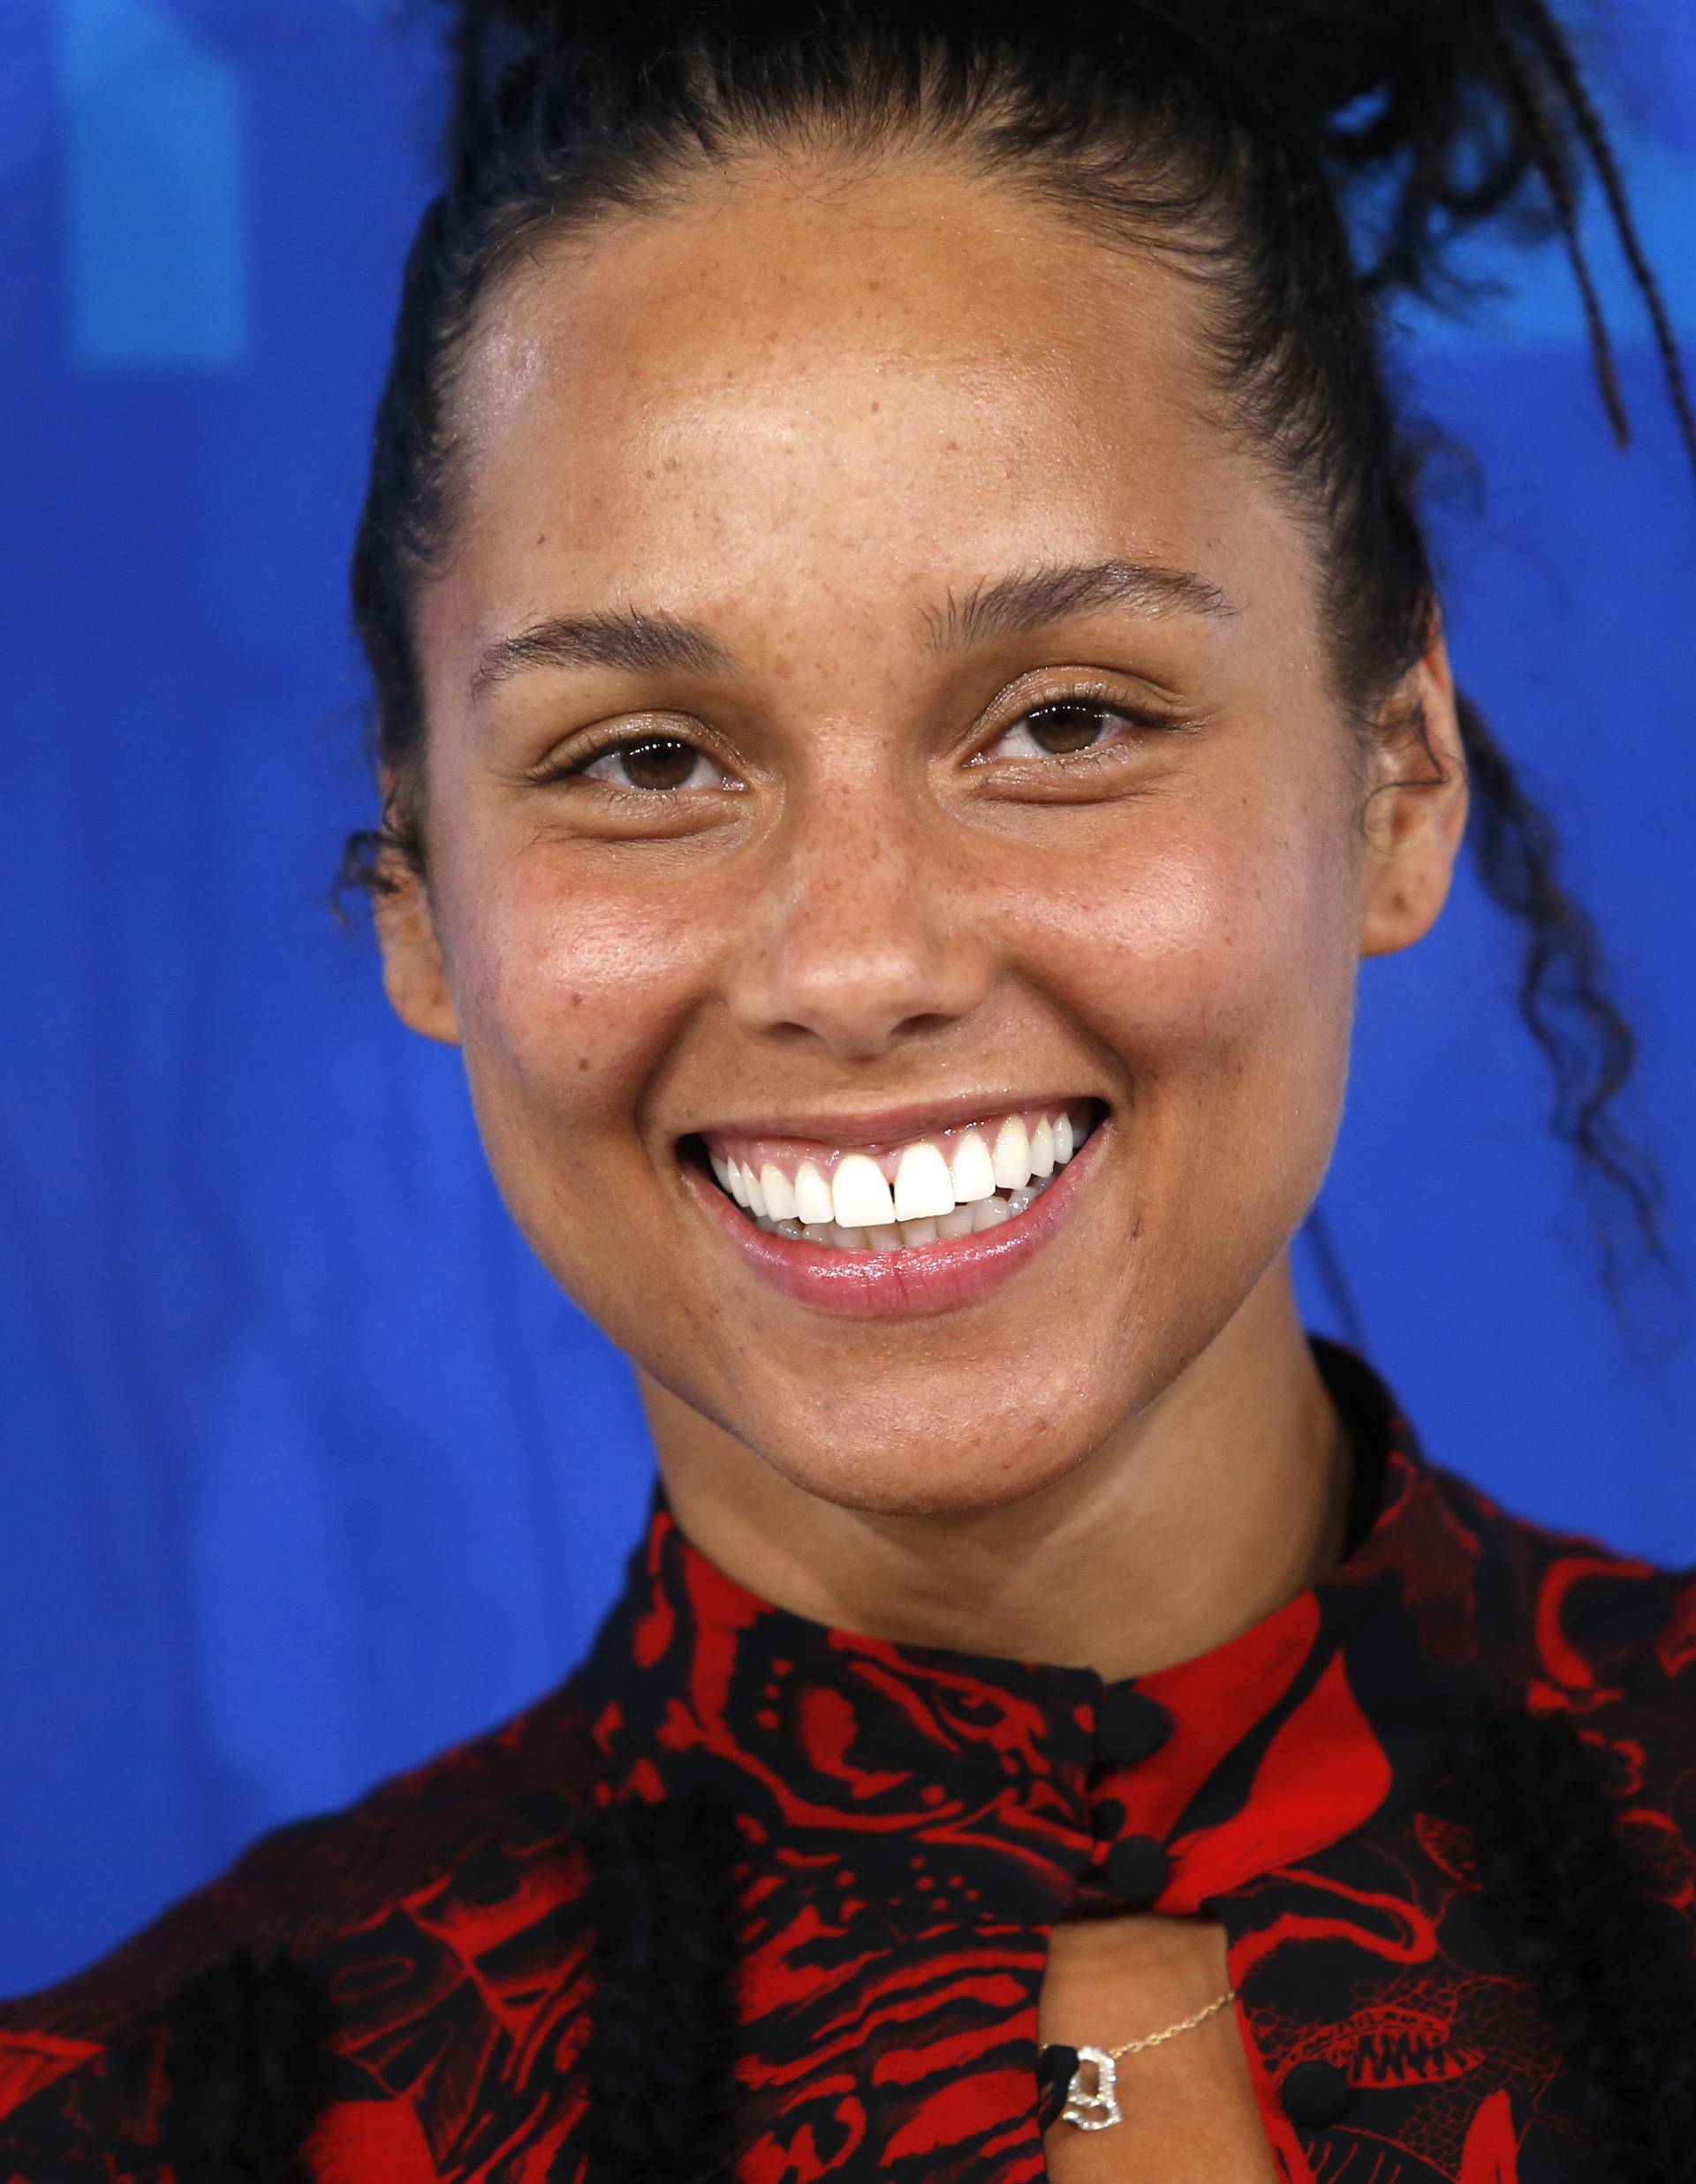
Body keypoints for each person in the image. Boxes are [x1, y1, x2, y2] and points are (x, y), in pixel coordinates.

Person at [4, 1, 1694, 2177]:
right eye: (646, 761)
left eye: (1066, 721)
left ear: (1398, 777)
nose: (861, 961)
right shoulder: (151, 2126)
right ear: (418, 894)